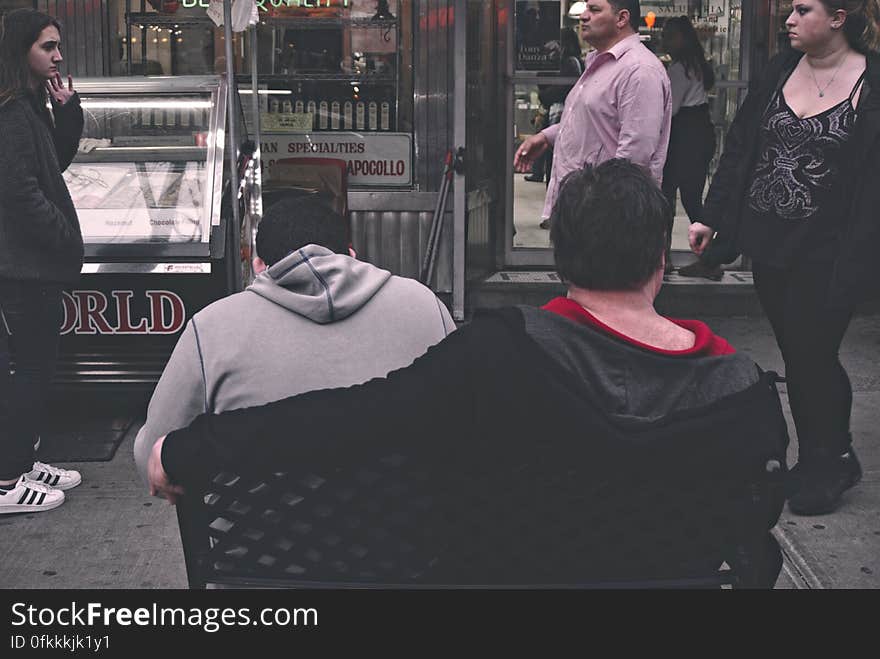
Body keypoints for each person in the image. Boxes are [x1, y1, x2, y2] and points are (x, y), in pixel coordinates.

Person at [148, 161, 787, 581]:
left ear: (560, 263)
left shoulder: (494, 356)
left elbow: (348, 419)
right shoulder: (745, 393)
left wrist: (188, 449)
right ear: (661, 264)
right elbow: (754, 543)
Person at [689, 0, 880, 514]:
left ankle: (833, 458)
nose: (789, 19)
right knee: (798, 354)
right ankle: (818, 456)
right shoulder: (780, 68)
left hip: (832, 250)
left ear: (839, 18)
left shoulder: (872, 81)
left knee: (815, 353)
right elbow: (741, 147)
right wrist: (712, 216)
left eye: (802, 9)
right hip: (770, 243)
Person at [133, 196, 455, 486]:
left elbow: (150, 457)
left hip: (252, 549)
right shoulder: (426, 306)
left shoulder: (210, 328)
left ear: (258, 267)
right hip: (407, 545)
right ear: (351, 255)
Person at [0, 9, 84, 515]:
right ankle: (8, 479)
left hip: (29, 262)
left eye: (57, 46)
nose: (57, 56)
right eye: (46, 47)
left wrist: (68, 110)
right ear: (20, 52)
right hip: (23, 266)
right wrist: (64, 238)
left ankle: (21, 463)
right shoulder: (9, 114)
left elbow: (55, 162)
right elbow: (21, 194)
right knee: (30, 371)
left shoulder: (29, 105)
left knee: (35, 369)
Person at [514, 0, 671, 231]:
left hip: (607, 218)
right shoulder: (599, 62)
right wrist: (546, 137)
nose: (584, 16)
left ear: (622, 19)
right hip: (582, 212)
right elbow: (593, 121)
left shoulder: (639, 71)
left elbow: (634, 158)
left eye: (594, 10)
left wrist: (606, 216)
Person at [660, 16, 721, 280]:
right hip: (700, 133)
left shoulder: (679, 69)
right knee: (691, 197)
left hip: (683, 136)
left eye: (669, 35)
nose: (664, 40)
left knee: (669, 197)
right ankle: (708, 258)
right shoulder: (696, 64)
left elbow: (670, 110)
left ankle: (666, 258)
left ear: (682, 38)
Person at [526, 28, 584, 189]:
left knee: (556, 154)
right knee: (551, 152)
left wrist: (545, 94)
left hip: (561, 112)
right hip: (557, 113)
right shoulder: (561, 61)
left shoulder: (571, 62)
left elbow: (562, 89)